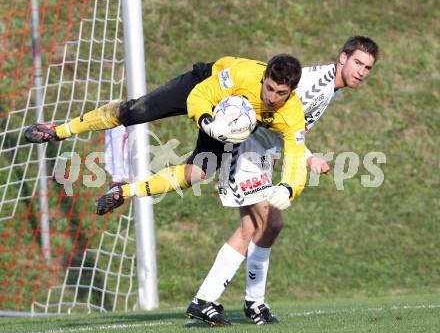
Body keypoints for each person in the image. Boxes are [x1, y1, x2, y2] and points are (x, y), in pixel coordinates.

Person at [186, 36, 380, 326]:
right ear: (343, 58)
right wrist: (308, 156)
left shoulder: (330, 89)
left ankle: (226, 301)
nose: (362, 71)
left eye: (368, 67)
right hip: (245, 149)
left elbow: (290, 125)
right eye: (357, 63)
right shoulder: (314, 84)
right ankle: (237, 302)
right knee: (269, 222)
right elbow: (280, 113)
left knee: (256, 226)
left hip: (261, 154)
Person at [24, 54, 308, 215]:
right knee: (136, 112)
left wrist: (288, 188)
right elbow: (202, 94)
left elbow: (295, 156)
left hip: (227, 123)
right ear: (264, 78)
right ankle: (60, 130)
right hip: (203, 85)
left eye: (280, 93)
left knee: (198, 174)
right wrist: (207, 120)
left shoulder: (291, 114)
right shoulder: (243, 74)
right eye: (269, 88)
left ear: (291, 92)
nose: (271, 97)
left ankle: (122, 191)